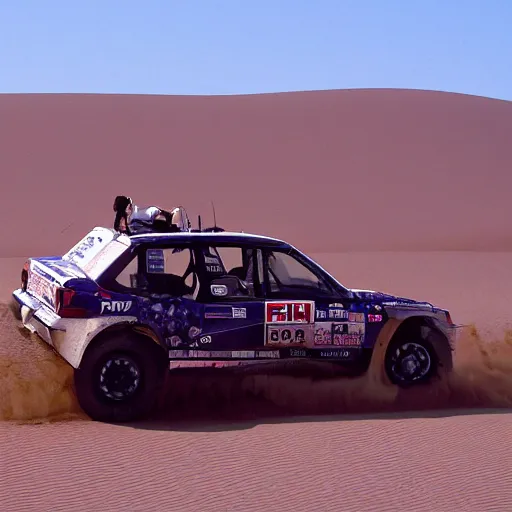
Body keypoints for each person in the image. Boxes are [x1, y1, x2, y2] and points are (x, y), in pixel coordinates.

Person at [113, 195, 181, 235]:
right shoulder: (127, 216)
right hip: (148, 217)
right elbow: (118, 226)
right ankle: (172, 225)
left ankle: (173, 225)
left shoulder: (135, 216)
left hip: (150, 216)